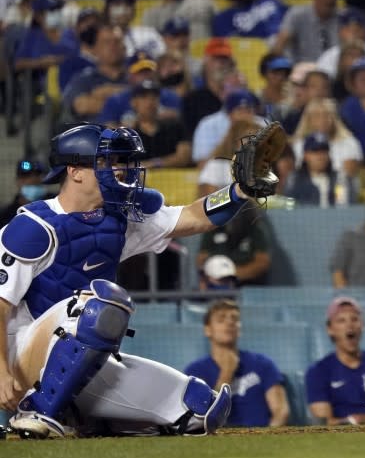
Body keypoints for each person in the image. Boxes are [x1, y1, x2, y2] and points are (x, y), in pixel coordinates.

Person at [0, 120, 286, 437]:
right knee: (102, 303)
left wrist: (238, 191)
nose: (119, 169)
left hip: (81, 361)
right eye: (105, 162)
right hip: (23, 357)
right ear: (75, 171)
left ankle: (85, 419)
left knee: (198, 406)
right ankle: (37, 412)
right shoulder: (33, 226)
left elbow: (190, 217)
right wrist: (1, 374)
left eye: (119, 161)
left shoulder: (118, 219)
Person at [185, 300, 289, 426]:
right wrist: (226, 373)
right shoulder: (195, 372)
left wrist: (267, 439)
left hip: (262, 437)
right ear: (208, 330)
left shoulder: (263, 363)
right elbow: (202, 418)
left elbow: (281, 411)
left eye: (235, 319)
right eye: (221, 319)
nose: (230, 322)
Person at [305, 297, 365, 425]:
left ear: (362, 326)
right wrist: (352, 422)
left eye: (354, 319)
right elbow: (322, 422)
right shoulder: (318, 372)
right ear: (330, 329)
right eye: (341, 320)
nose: (350, 325)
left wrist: (362, 420)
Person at [271, 0, 341, 63]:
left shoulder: (342, 18)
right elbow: (280, 43)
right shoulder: (297, 15)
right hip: (302, 69)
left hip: (333, 69)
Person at [291, 97, 363, 180]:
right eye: (317, 116)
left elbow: (349, 177)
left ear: (334, 118)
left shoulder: (349, 143)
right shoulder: (299, 144)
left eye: (327, 115)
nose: (322, 120)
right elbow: (296, 174)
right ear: (308, 120)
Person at [284, 132, 350, 207]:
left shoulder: (338, 179)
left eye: (324, 152)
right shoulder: (294, 179)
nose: (320, 157)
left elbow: (342, 206)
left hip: (333, 218)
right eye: (315, 151)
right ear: (306, 155)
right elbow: (289, 208)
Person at [0, 160, 47, 229]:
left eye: (37, 175)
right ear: (17, 181)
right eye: (26, 176)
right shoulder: (5, 215)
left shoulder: (55, 207)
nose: (32, 179)